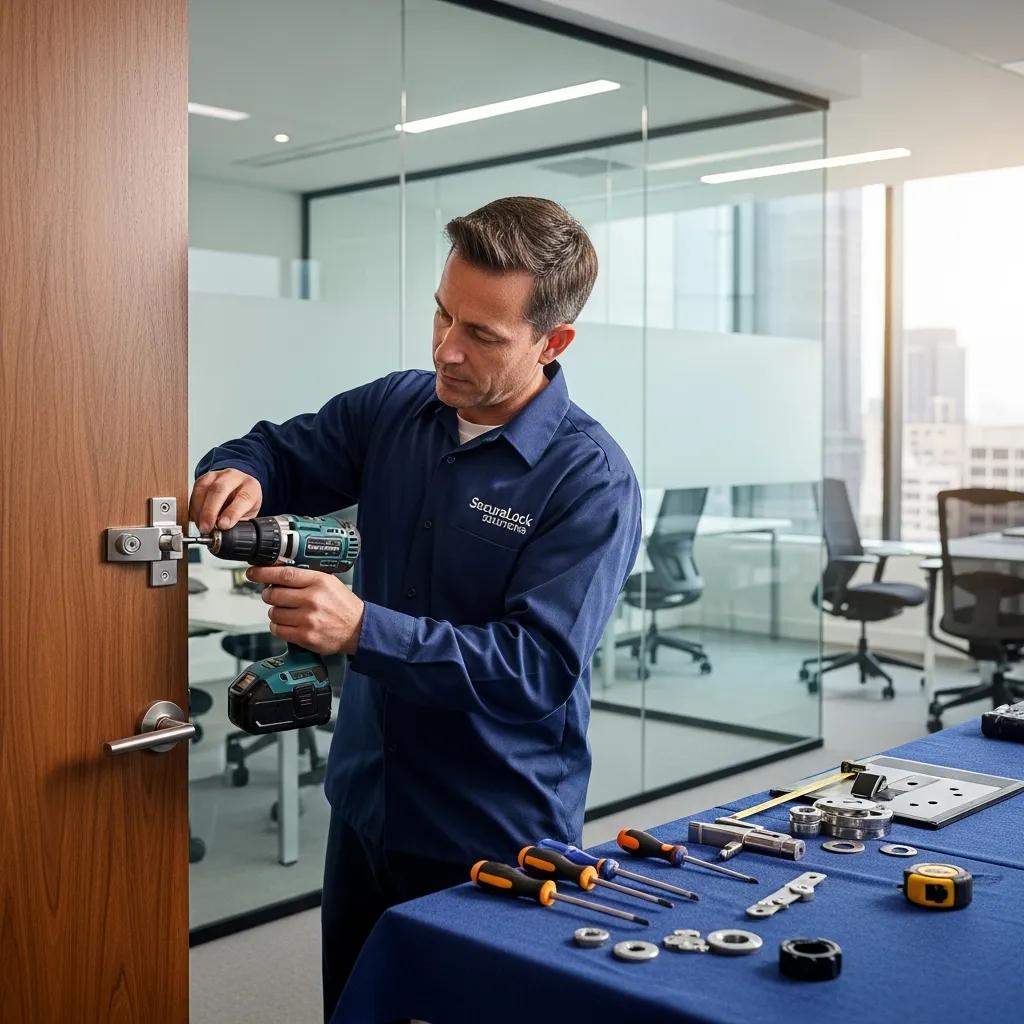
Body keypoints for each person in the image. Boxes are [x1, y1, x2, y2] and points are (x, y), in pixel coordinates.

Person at [189, 196, 642, 1020]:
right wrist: (239, 471)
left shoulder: (590, 481)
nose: (446, 349)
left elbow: (534, 669)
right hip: (366, 803)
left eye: (483, 335)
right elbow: (277, 448)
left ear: (552, 343)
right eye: (442, 313)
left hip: (493, 826)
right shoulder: (396, 409)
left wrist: (361, 628)